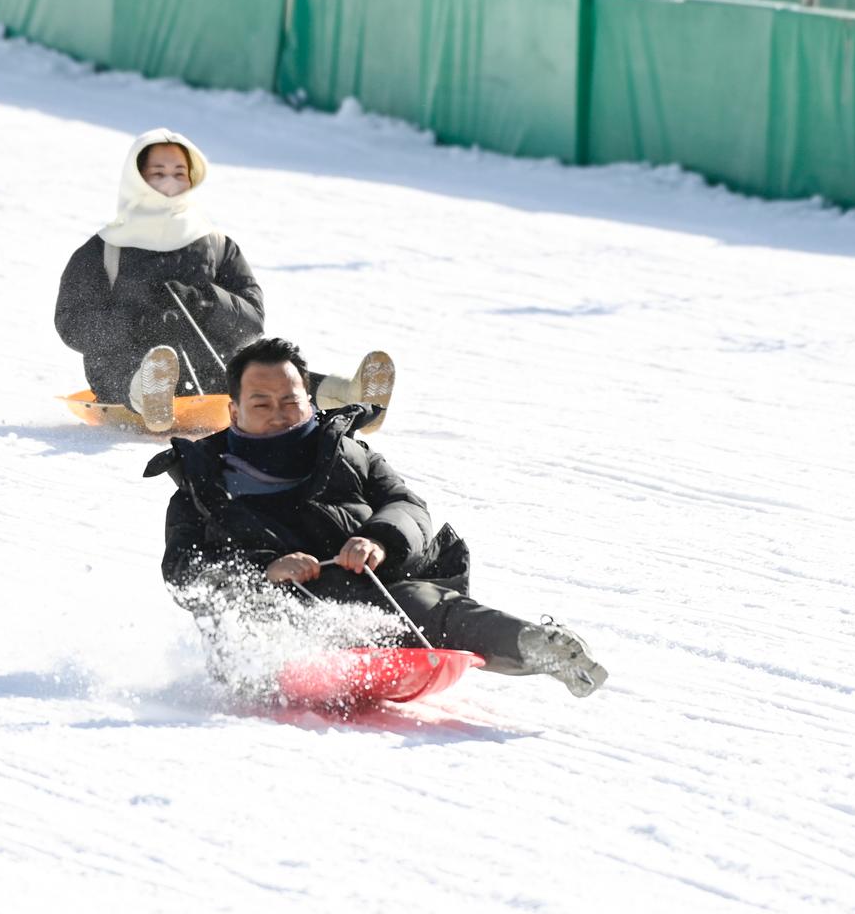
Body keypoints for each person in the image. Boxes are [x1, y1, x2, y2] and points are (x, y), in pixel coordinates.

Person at [145, 337, 608, 698]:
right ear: (234, 410)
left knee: (430, 606)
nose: (280, 415)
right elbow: (185, 571)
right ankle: (296, 655)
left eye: (290, 401)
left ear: (310, 400)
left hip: (375, 591)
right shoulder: (201, 485)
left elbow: (409, 508)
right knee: (272, 623)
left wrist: (379, 540)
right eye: (261, 403)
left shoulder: (349, 453)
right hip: (280, 616)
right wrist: (264, 572)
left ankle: (537, 645)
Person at [54, 129, 395, 433]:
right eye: (158, 174)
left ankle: (351, 395)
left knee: (261, 371)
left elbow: (253, 318)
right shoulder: (106, 249)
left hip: (208, 365)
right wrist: (136, 320)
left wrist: (206, 301)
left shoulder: (214, 243)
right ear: (137, 179)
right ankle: (149, 394)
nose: (170, 182)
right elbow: (72, 321)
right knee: (131, 366)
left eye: (179, 173)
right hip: (124, 365)